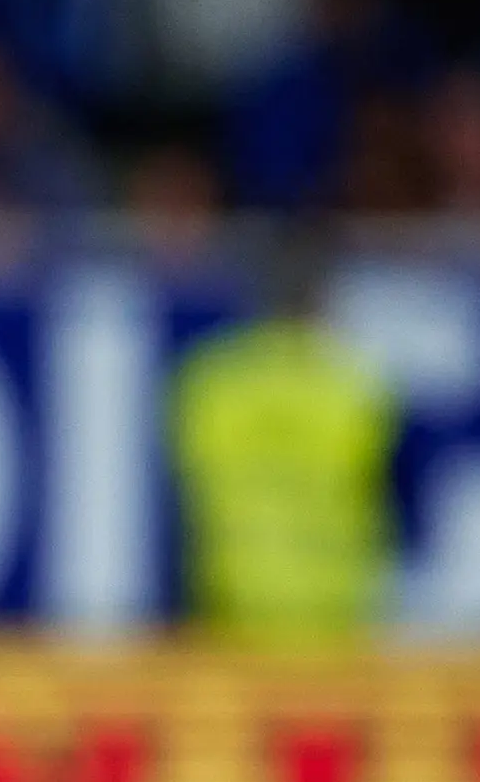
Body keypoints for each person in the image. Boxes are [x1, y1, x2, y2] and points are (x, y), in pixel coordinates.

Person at [168, 241, 399, 643]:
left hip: (232, 607)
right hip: (335, 612)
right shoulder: (357, 386)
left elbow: (186, 485)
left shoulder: (209, 379)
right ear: (323, 300)